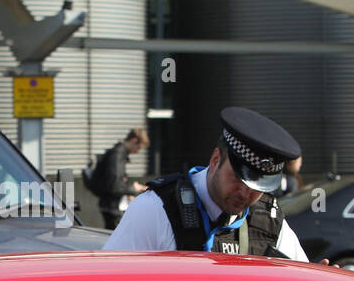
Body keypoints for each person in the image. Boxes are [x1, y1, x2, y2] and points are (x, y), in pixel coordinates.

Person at [103, 107, 309, 261]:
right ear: (216, 159)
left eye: (258, 187)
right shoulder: (156, 209)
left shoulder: (268, 220)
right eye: (239, 178)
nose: (246, 193)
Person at [95, 128, 149, 230]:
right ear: (134, 140)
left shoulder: (119, 154)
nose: (137, 152)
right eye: (138, 148)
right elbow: (115, 186)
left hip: (113, 206)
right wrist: (133, 188)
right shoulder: (117, 155)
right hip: (113, 208)